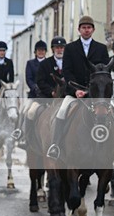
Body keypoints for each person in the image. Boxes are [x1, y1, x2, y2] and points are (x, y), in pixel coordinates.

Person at [46, 16, 110, 159]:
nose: (86, 30)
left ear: (93, 29)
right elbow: (67, 71)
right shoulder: (70, 48)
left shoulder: (101, 48)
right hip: (75, 92)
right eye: (83, 28)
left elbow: (105, 73)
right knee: (61, 112)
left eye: (89, 28)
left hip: (96, 94)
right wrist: (76, 90)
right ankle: (55, 145)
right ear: (79, 30)